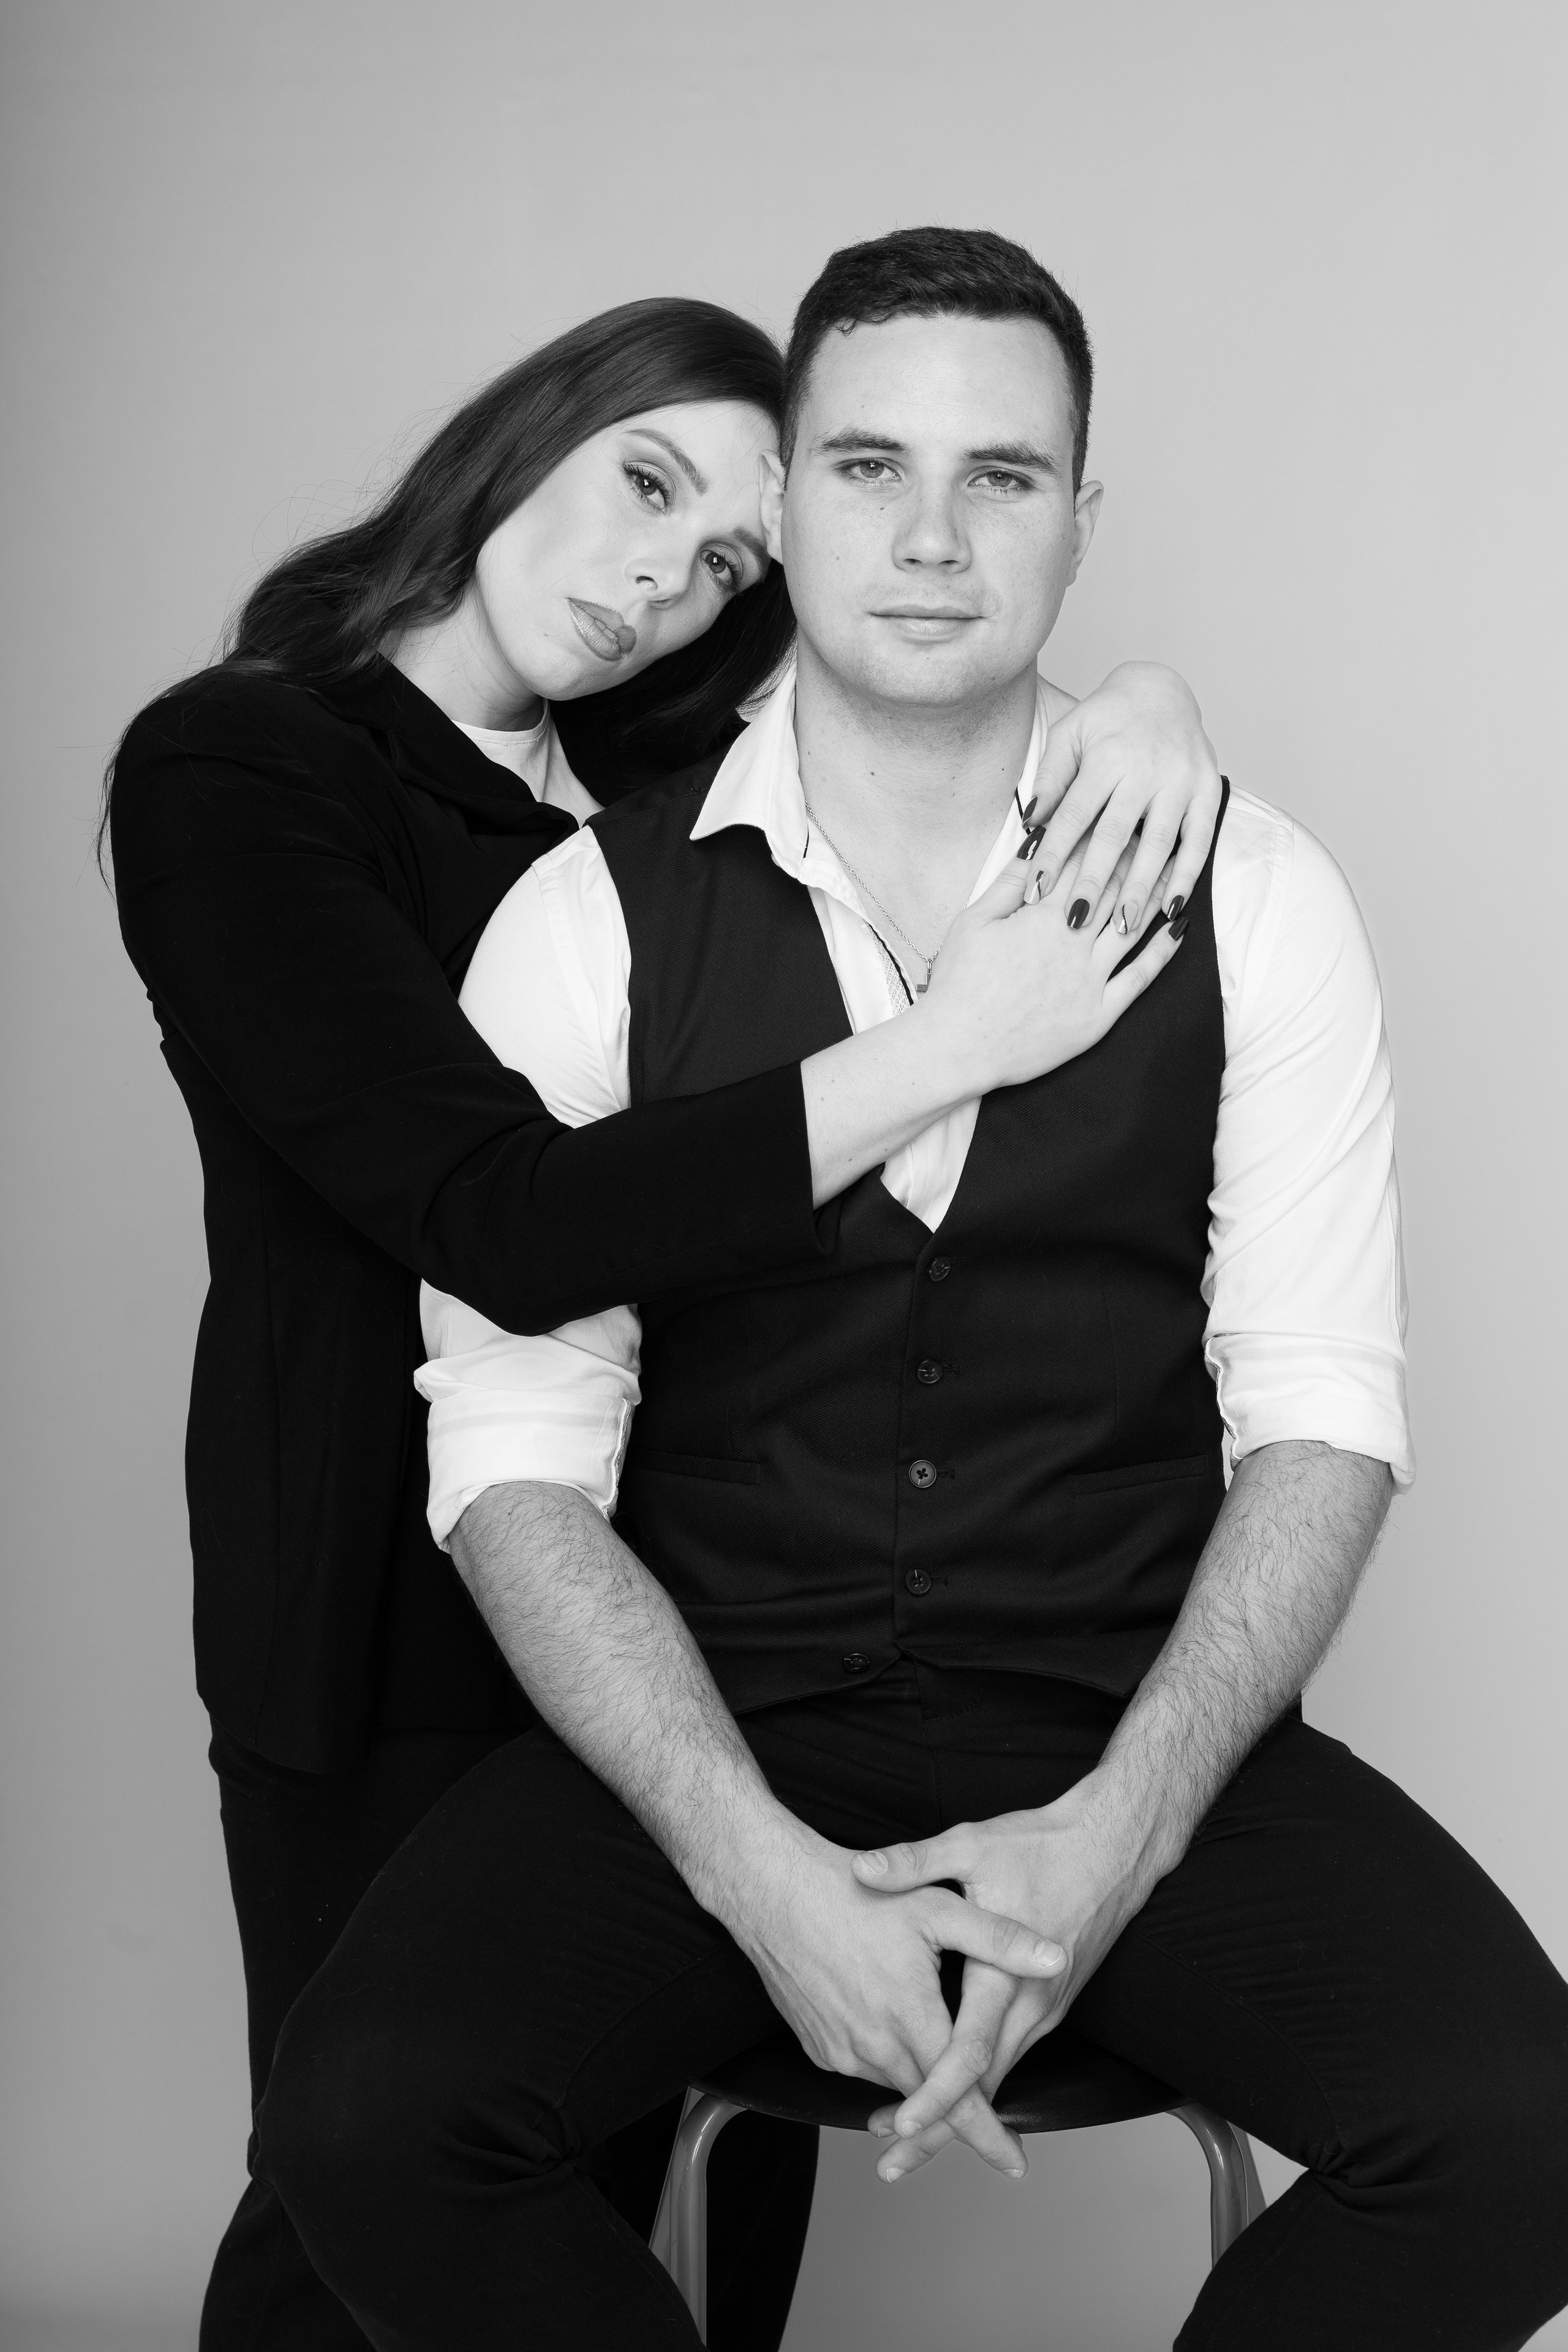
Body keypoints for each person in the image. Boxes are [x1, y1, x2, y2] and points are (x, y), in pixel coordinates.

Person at [255, 225, 1568, 2351]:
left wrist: (1123, 1838)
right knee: (369, 2118)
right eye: (870, 469)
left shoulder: (1260, 890)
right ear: (788, 506)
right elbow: (515, 1469)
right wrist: (757, 1875)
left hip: (1118, 1710)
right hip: (718, 1708)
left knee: (1528, 2128)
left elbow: (1323, 1413)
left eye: (1006, 479)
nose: (937, 538)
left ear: (1079, 519)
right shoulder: (589, 920)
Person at [107, 291, 1228, 2352]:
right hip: (384, 1595)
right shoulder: (239, 767)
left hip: (691, 1599)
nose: (660, 582)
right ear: (523, 434)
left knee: (708, 2202)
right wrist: (954, 1046)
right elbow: (497, 1213)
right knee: (380, 2211)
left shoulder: (665, 789)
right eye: (645, 488)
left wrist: (1142, 709)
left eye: (726, 552)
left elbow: (945, 704)